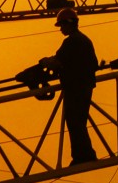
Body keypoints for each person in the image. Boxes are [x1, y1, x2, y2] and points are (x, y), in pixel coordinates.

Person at [38, 8, 98, 165]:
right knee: (79, 121)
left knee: (74, 121)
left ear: (69, 24)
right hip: (85, 86)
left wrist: (45, 62)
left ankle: (83, 156)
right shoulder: (85, 40)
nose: (61, 29)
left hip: (75, 88)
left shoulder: (72, 41)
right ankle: (85, 154)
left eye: (61, 26)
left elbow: (58, 61)